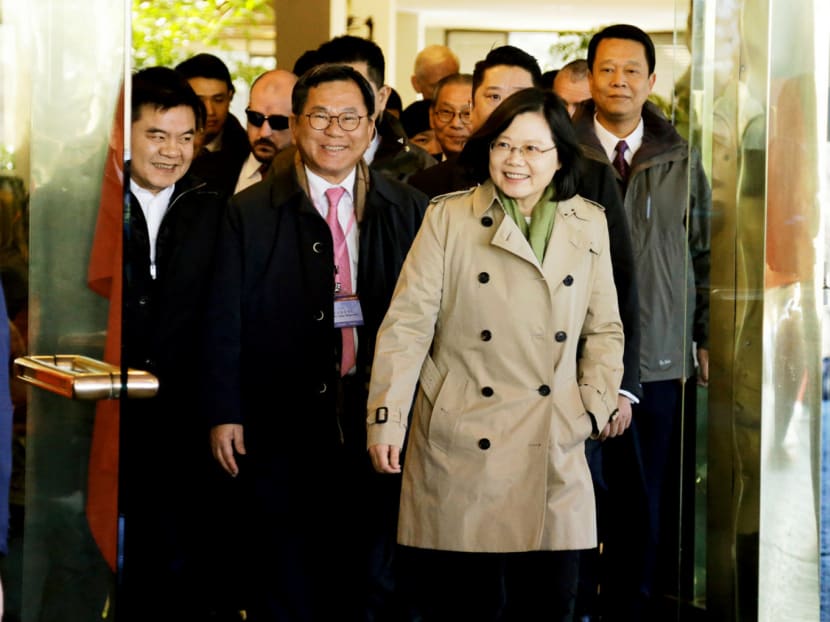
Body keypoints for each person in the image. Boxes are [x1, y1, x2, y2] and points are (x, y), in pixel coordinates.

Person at [367, 87, 624, 622]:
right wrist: (387, 419)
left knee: (551, 604)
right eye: (503, 145)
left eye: (532, 148)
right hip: (464, 440)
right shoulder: (449, 217)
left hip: (553, 437)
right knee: (469, 608)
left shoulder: (588, 222)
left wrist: (592, 408)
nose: (515, 160)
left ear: (559, 157)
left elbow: (604, 328)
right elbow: (408, 325)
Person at [203, 63, 428, 621]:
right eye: (320, 117)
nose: (335, 131)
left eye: (349, 118)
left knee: (371, 577)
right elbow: (223, 318)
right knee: (286, 576)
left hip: (376, 414)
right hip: (281, 416)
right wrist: (225, 411)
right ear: (298, 123)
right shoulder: (250, 211)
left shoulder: (408, 207)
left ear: (371, 125)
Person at [572, 24, 711, 620]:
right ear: (590, 78)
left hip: (658, 355)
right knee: (577, 492)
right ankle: (578, 602)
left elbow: (704, 250)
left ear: (651, 81)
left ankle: (636, 605)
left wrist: (704, 333)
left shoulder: (681, 157)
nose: (620, 81)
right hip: (573, 356)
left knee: (647, 498)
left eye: (633, 70)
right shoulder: (561, 152)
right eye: (607, 69)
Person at [118, 66, 229, 621]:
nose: (172, 151)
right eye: (157, 135)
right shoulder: (87, 203)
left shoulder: (214, 205)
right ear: (125, 134)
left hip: (185, 413)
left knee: (182, 561)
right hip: (107, 407)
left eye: (186, 137)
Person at [315, 35, 436, 182]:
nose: (344, 103)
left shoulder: (422, 168)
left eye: (360, 91)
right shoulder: (293, 163)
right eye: (332, 91)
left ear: (382, 97)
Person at [176, 53, 250, 198]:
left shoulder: (248, 153)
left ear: (230, 96)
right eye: (199, 101)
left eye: (218, 99)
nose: (209, 111)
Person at [234, 69, 297, 194]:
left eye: (277, 122)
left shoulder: (314, 179)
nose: (264, 133)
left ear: (298, 123)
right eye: (256, 118)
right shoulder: (214, 169)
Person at [428, 73, 473, 159]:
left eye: (467, 113)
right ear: (431, 117)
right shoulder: (423, 165)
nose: (456, 124)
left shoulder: (496, 166)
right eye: (446, 111)